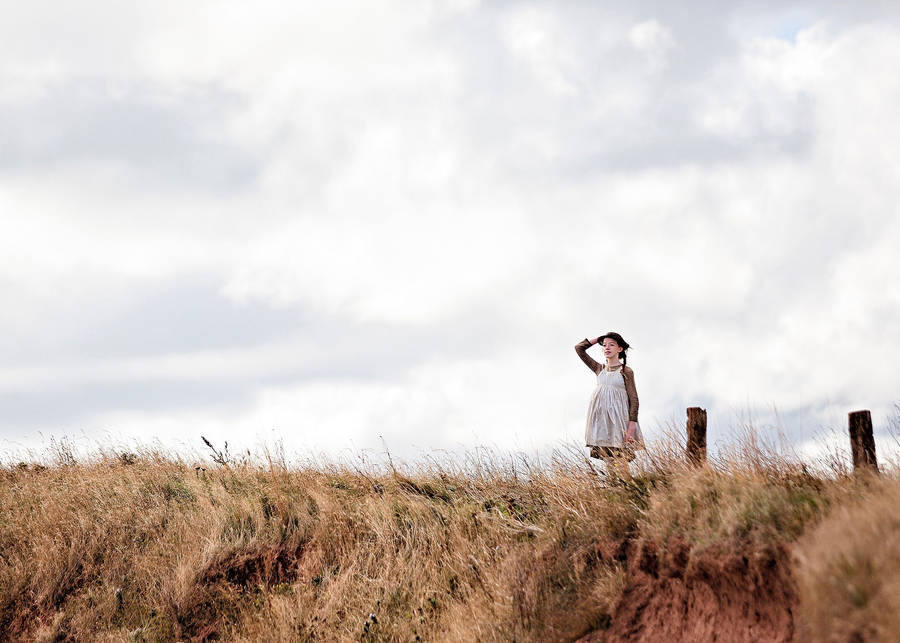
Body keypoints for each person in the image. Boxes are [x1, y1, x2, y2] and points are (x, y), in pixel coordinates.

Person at [574, 332, 644, 476]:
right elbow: (579, 348)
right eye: (604, 345)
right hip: (602, 421)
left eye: (611, 344)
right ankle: (614, 490)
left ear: (620, 349)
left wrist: (632, 425)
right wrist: (597, 339)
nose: (607, 347)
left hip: (620, 421)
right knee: (609, 459)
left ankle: (626, 488)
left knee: (620, 458)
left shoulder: (626, 371)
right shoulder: (599, 368)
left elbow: (634, 399)